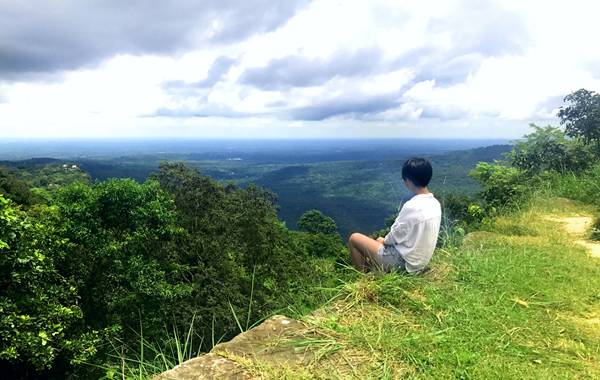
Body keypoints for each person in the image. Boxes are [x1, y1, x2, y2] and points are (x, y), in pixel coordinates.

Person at [348, 157, 441, 274]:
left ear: (408, 181)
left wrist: (384, 240)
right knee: (377, 241)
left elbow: (394, 236)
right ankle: (373, 274)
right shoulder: (435, 203)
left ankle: (362, 279)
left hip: (404, 265)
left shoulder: (412, 206)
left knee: (354, 238)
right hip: (420, 263)